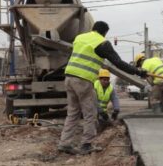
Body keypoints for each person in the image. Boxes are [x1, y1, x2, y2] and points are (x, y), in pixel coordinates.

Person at [58, 21, 147, 155]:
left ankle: (65, 143)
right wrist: (138, 72)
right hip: (83, 80)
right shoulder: (102, 42)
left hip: (69, 78)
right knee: (90, 113)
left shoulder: (79, 38)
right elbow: (118, 63)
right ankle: (86, 144)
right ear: (104, 32)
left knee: (73, 112)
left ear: (93, 28)